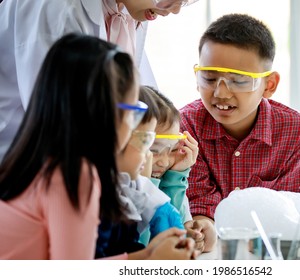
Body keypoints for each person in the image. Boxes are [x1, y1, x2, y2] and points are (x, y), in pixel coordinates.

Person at [0, 33, 196, 260]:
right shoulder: (73, 174)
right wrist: (151, 262)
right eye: (133, 112)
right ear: (103, 113)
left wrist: (148, 254)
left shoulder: (37, 159)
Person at [0, 0, 199, 162]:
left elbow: (140, 99)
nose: (176, 9)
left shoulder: (129, 11)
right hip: (20, 161)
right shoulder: (54, 7)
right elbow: (62, 125)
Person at [180, 14, 300, 223]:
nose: (221, 93)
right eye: (209, 78)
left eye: (239, 81)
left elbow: (288, 208)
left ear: (269, 85)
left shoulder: (295, 130)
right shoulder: (186, 124)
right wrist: (203, 226)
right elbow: (199, 202)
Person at [95, 86, 185, 257]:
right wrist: (150, 258)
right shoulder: (91, 197)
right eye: (145, 143)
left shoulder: (128, 183)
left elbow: (128, 246)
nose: (149, 155)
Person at [145, 86, 217, 253]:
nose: (163, 162)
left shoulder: (170, 178)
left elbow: (173, 235)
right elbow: (147, 244)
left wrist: (176, 176)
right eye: (154, 150)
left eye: (171, 149)